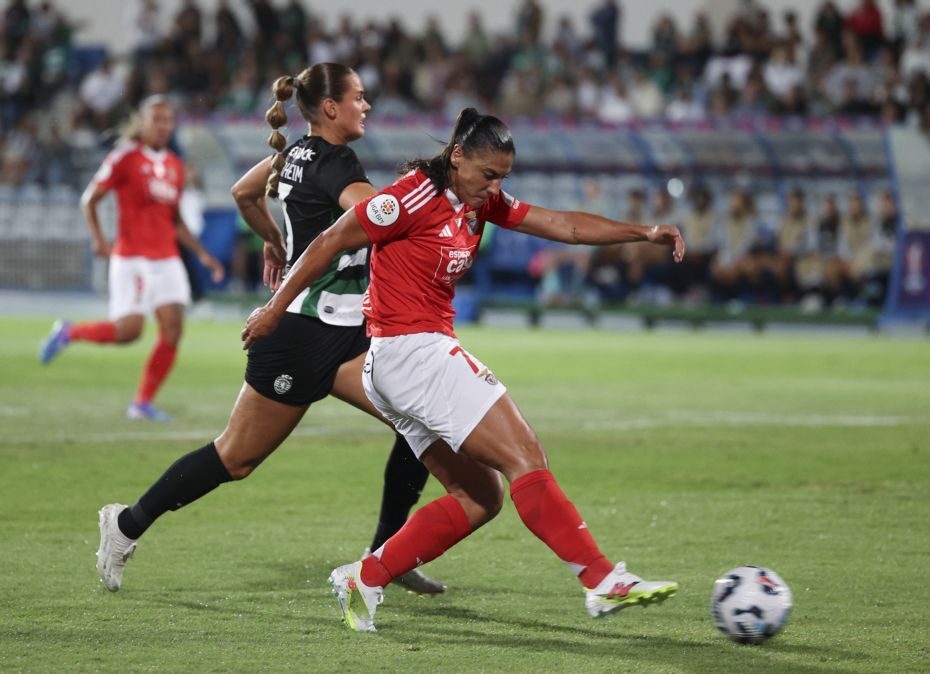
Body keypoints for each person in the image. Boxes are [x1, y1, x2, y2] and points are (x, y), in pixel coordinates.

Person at [243, 107, 685, 633]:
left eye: (501, 177)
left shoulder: (477, 201)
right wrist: (273, 309)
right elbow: (329, 242)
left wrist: (643, 232)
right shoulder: (408, 198)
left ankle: (365, 577)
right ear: (457, 157)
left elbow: (561, 224)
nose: (493, 187)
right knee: (526, 456)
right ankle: (600, 579)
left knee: (481, 498)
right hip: (413, 353)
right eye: (487, 174)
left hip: (397, 364)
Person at [92, 63, 444, 596]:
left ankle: (386, 556)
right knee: (235, 458)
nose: (367, 106)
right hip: (300, 335)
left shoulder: (293, 153)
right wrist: (428, 202)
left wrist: (276, 241)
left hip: (350, 331)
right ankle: (124, 525)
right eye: (359, 97)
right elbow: (371, 213)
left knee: (419, 426)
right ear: (331, 108)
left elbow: (243, 192)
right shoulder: (336, 159)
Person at [38, 96, 225, 421]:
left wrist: (203, 256)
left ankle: (141, 403)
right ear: (142, 122)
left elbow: (176, 221)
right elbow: (90, 199)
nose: (163, 125)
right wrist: (99, 239)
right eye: (156, 119)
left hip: (167, 259)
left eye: (168, 119)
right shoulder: (124, 157)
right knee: (129, 331)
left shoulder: (175, 167)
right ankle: (69, 332)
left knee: (172, 331)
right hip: (132, 257)